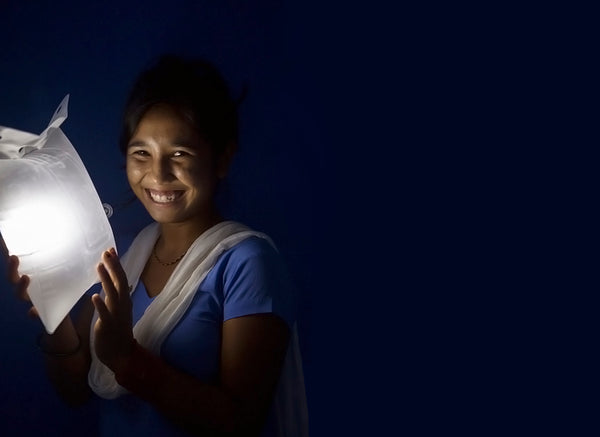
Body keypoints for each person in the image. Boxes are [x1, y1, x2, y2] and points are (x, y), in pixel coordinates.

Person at [5, 54, 308, 436]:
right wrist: (53, 311)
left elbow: (241, 422)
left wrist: (128, 360)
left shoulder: (247, 263)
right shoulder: (123, 257)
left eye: (180, 154)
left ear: (222, 159)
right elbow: (76, 392)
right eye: (141, 154)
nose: (158, 174)